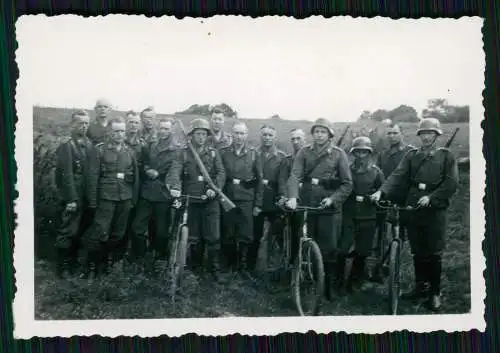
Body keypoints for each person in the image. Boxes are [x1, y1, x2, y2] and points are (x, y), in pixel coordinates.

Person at [370, 118, 459, 311]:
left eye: (430, 133)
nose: (427, 137)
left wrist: (432, 197)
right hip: (413, 206)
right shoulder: (411, 155)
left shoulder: (446, 156)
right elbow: (397, 175)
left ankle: (434, 292)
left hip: (435, 209)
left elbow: (451, 183)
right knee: (417, 250)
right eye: (424, 133)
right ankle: (420, 287)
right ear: (420, 136)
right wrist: (381, 191)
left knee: (433, 251)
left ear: (436, 135)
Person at [286, 118, 353, 301]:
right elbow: (294, 176)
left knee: (329, 248)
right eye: (316, 131)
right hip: (307, 203)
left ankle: (327, 286)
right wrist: (293, 197)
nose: (319, 135)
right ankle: (304, 279)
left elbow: (347, 184)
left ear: (330, 135)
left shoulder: (338, 154)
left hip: (328, 208)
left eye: (323, 132)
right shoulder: (304, 152)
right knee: (304, 242)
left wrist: (332, 199)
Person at [168, 118, 227, 283]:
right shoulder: (184, 153)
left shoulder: (213, 153)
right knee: (193, 237)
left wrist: (214, 188)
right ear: (192, 135)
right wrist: (176, 187)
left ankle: (215, 269)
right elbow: (175, 171)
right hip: (191, 200)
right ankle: (195, 269)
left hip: (210, 199)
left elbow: (221, 173)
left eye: (203, 134)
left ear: (207, 136)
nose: (201, 137)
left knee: (213, 236)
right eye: (197, 134)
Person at [82, 116, 139, 278]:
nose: (119, 134)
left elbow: (135, 177)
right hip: (105, 197)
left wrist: (133, 199)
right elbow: (92, 177)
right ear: (110, 132)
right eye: (116, 131)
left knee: (118, 234)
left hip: (125, 198)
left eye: (122, 131)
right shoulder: (99, 150)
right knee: (100, 231)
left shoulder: (130, 152)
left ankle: (107, 263)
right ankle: (92, 266)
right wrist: (93, 201)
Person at [129, 117, 182, 274]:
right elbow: (144, 163)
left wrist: (173, 186)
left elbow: (175, 171)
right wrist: (147, 170)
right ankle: (139, 258)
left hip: (164, 193)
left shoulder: (176, 150)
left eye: (167, 129)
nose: (163, 131)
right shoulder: (150, 145)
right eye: (161, 128)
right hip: (147, 192)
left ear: (172, 130)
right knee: (138, 227)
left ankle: (159, 259)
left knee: (161, 232)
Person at [371, 122, 415, 281]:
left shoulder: (410, 152)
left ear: (401, 133)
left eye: (395, 133)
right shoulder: (383, 154)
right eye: (389, 133)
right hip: (385, 196)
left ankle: (392, 262)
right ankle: (381, 262)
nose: (391, 136)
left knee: (400, 232)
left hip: (404, 197)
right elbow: (378, 174)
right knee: (382, 230)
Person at [53, 110, 94, 278]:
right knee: (68, 230)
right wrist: (71, 198)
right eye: (80, 123)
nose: (83, 126)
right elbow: (66, 174)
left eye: (86, 123)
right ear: (73, 124)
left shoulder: (89, 144)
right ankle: (63, 267)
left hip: (85, 195)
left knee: (80, 230)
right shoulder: (67, 145)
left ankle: (73, 263)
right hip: (73, 196)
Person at [220, 121, 263, 278]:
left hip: (246, 198)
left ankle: (242, 267)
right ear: (232, 134)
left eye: (242, 133)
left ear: (247, 135)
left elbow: (259, 180)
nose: (239, 137)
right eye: (236, 133)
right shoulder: (224, 153)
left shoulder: (253, 154)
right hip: (228, 197)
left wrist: (258, 203)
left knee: (246, 234)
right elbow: (220, 175)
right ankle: (229, 265)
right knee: (228, 232)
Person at [342, 137, 384, 292]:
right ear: (353, 153)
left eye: (364, 152)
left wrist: (377, 195)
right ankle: (338, 281)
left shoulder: (376, 172)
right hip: (348, 215)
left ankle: (354, 280)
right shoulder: (346, 170)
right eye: (357, 152)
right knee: (342, 248)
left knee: (362, 250)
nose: (361, 155)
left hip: (368, 216)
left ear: (369, 153)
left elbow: (383, 190)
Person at [248, 124, 287, 272]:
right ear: (260, 136)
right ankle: (251, 268)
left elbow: (282, 180)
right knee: (255, 234)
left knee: (276, 234)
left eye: (270, 135)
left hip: (273, 201)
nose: (267, 138)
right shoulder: (253, 154)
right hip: (256, 200)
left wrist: (282, 197)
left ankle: (274, 265)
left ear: (275, 137)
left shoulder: (281, 157)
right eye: (264, 135)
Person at [277, 129, 306, 267]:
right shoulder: (287, 160)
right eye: (293, 139)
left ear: (304, 139)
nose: (295, 142)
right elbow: (282, 180)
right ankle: (291, 262)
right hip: (291, 201)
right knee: (293, 232)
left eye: (298, 138)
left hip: (308, 200)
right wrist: (284, 196)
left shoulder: (310, 158)